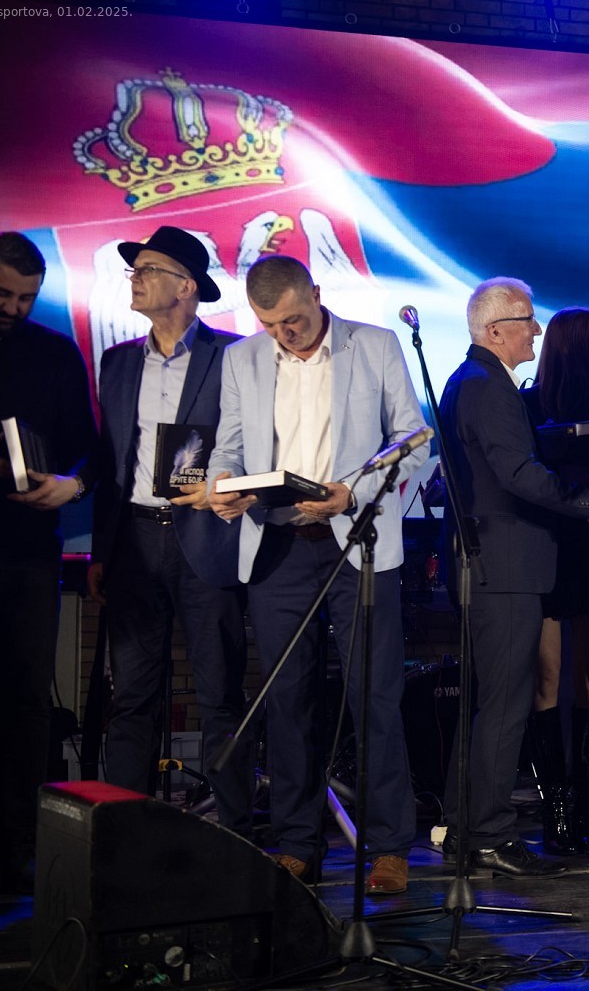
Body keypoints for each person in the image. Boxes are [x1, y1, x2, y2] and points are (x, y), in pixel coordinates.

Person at [207, 255, 426, 895]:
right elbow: (228, 444)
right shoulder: (242, 359)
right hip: (277, 546)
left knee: (373, 696)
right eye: (271, 325)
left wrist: (352, 493)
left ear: (317, 295)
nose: (285, 334)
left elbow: (413, 437)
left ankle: (389, 847)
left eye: (294, 321)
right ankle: (297, 844)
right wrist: (224, 484)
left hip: (356, 542)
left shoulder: (374, 345)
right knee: (287, 700)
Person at [439, 278, 589, 879]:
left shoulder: (472, 380)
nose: (537, 330)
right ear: (496, 330)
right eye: (526, 319)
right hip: (504, 564)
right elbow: (518, 474)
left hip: (496, 563)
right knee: (505, 704)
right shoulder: (488, 387)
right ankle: (491, 835)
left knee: (491, 702)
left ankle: (463, 828)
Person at [87, 226, 252, 832]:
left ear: (186, 286)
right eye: (134, 269)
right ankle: (121, 833)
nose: (135, 278)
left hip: (205, 538)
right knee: (131, 696)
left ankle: (235, 833)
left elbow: (254, 445)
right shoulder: (117, 361)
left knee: (220, 695)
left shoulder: (232, 356)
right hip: (133, 541)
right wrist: (102, 551)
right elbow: (111, 461)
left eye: (148, 269)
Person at [0, 232, 97, 892]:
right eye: (0, 293)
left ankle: (21, 855)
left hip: (27, 552)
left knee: (28, 703)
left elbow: (88, 449)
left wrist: (71, 485)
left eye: (25, 298)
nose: (11, 308)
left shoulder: (55, 353)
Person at [520, 307, 589, 857]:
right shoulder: (527, 404)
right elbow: (527, 474)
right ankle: (555, 815)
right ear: (568, 342)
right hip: (545, 546)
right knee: (545, 679)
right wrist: (582, 487)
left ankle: (586, 812)